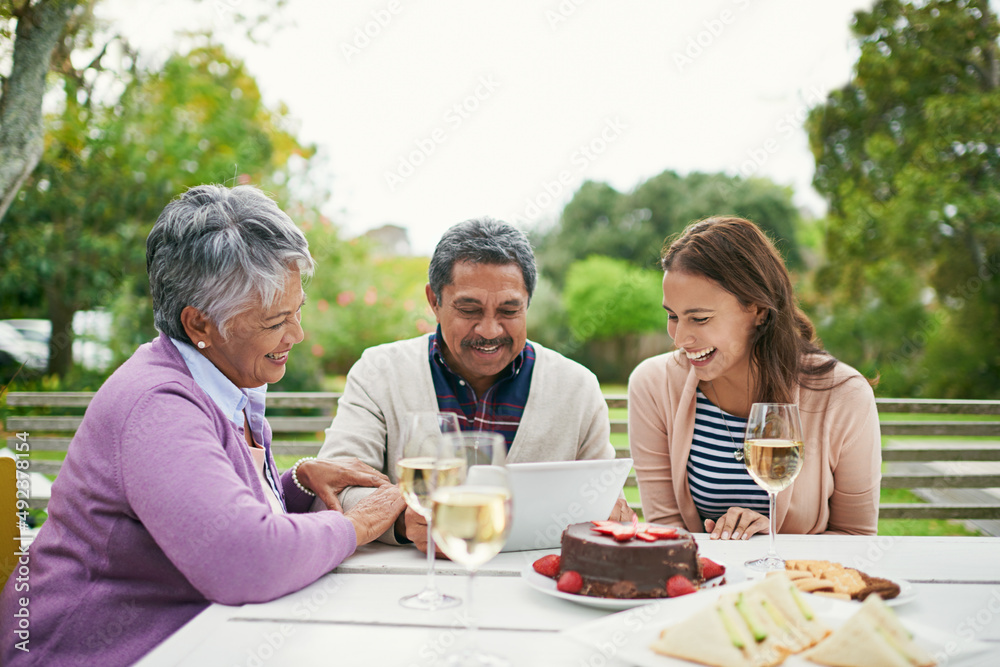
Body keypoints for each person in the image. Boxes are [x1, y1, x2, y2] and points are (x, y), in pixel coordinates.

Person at [0, 185, 404, 666]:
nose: (297, 334)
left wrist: (294, 484)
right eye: (276, 321)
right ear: (200, 325)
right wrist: (353, 525)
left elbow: (209, 508)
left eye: (297, 311)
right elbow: (244, 561)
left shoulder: (220, 378)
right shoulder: (158, 406)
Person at [299, 216, 632, 550]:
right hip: (402, 588)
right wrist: (402, 522)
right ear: (434, 301)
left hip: (533, 588)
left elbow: (603, 499)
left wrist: (610, 512)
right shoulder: (379, 372)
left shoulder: (577, 387)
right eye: (469, 309)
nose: (489, 330)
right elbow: (335, 488)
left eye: (509, 310)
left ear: (528, 301)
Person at [628, 216, 881, 540]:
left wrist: (775, 543)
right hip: (703, 585)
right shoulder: (652, 386)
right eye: (673, 316)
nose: (680, 339)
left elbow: (856, 536)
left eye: (700, 318)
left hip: (797, 588)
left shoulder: (843, 396)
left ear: (759, 309)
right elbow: (666, 532)